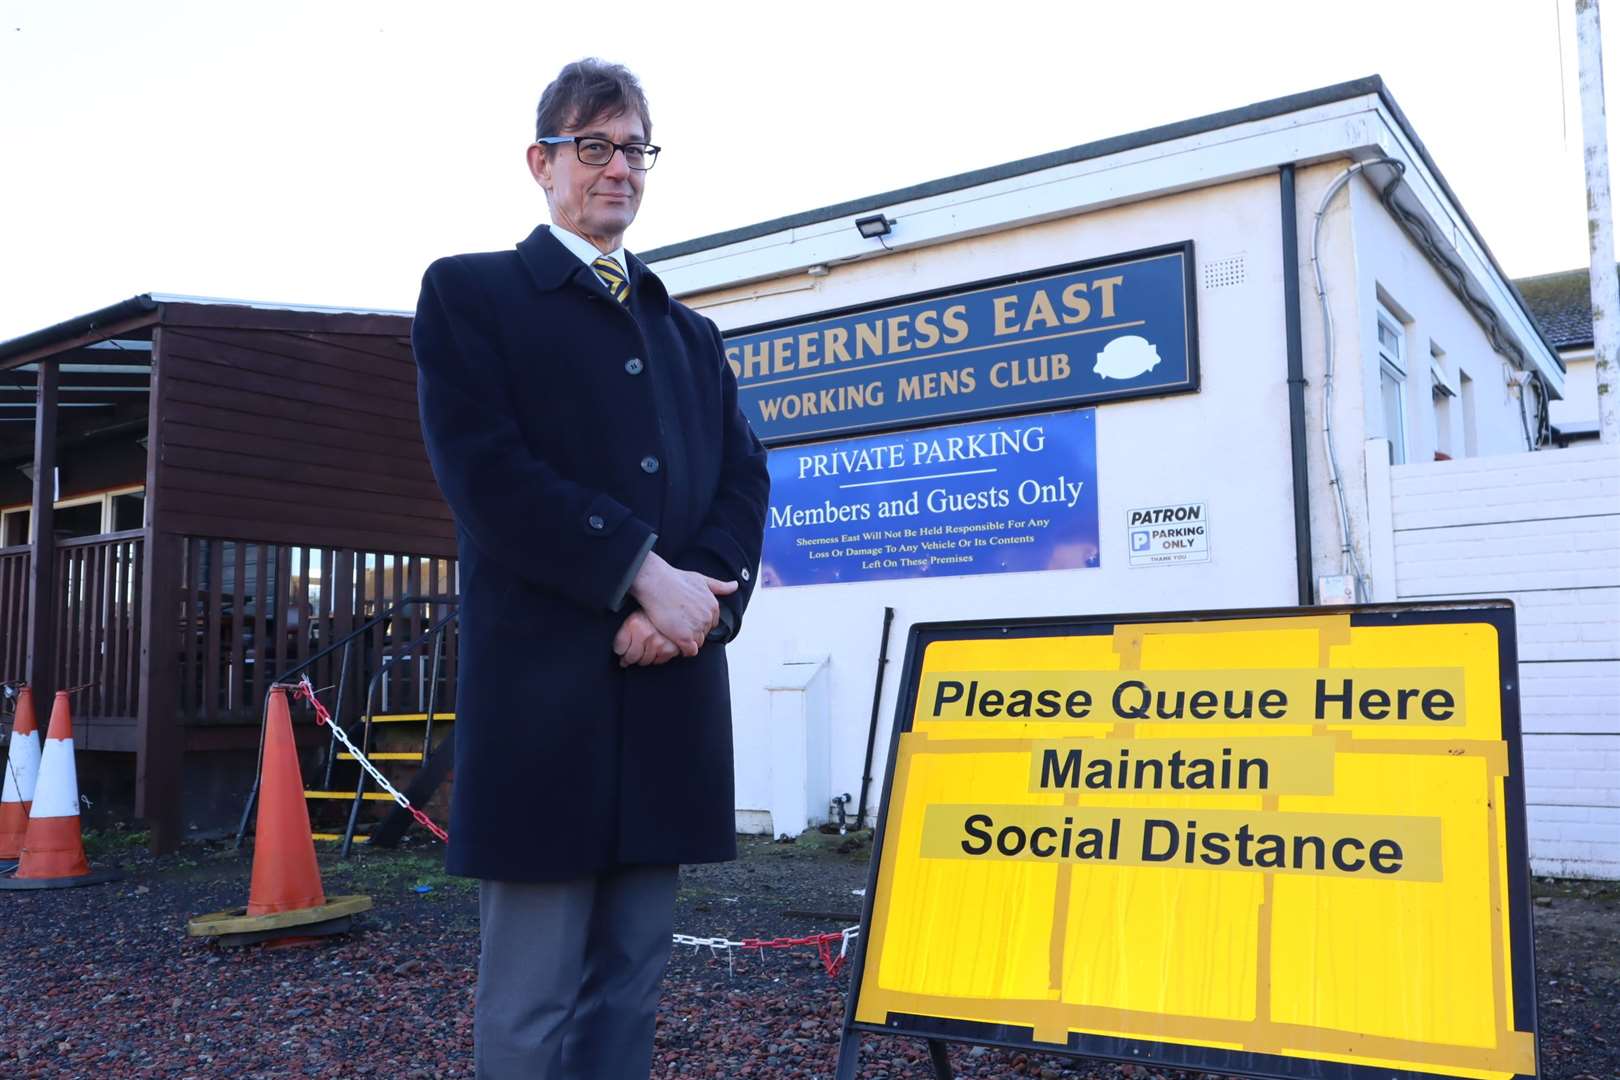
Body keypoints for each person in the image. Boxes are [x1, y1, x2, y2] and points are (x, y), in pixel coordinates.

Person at [411, 58, 770, 1080]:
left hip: (668, 703)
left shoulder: (689, 334)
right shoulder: (471, 294)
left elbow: (744, 480)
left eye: (636, 148)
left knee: (631, 988)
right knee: (529, 1004)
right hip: (545, 704)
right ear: (543, 161)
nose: (619, 168)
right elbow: (487, 475)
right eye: (595, 145)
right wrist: (634, 568)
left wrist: (687, 602)